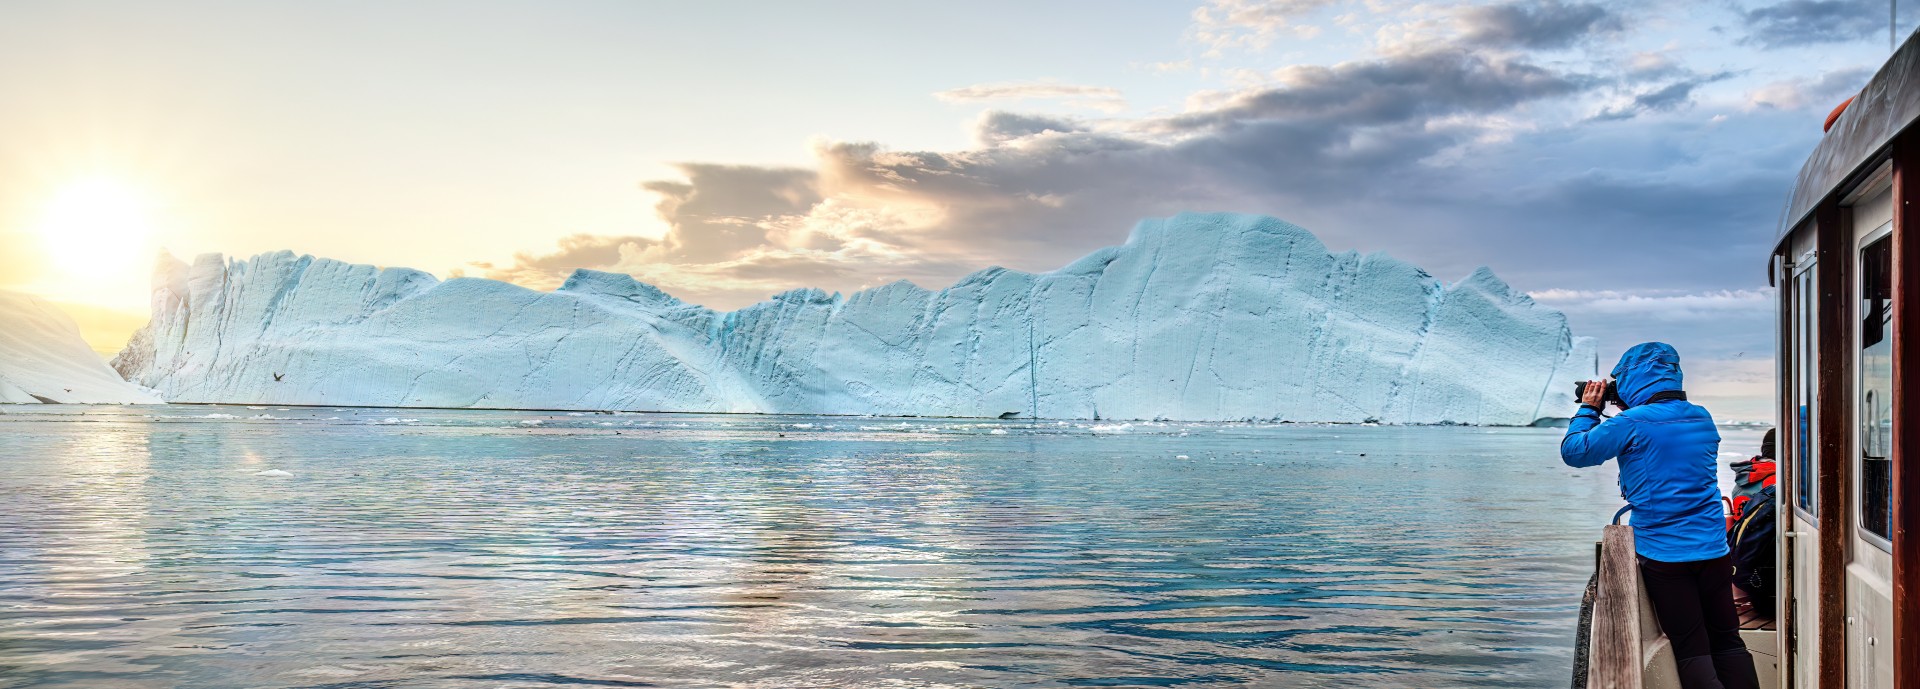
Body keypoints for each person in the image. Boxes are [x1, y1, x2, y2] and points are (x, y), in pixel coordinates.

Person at [1560, 342, 1758, 689]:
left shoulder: (1632, 422)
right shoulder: (1700, 415)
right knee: (1727, 641)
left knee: (1691, 649)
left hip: (1666, 556)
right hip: (1713, 550)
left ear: (1634, 378)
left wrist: (1590, 409)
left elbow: (1576, 452)